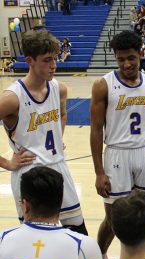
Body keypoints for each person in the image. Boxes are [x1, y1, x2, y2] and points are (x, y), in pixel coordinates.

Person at [0, 29, 87, 235]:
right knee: (36, 241)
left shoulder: (59, 88)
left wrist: (57, 136)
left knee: (78, 234)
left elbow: (63, 115)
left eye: (55, 59)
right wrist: (6, 163)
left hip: (58, 167)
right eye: (47, 60)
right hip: (30, 175)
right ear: (29, 60)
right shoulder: (12, 98)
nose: (54, 65)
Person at [90, 30, 145, 259]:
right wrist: (98, 172)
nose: (126, 64)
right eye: (121, 59)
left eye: (131, 58)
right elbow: (95, 129)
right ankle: (100, 255)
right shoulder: (103, 85)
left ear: (140, 54)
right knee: (114, 219)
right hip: (116, 154)